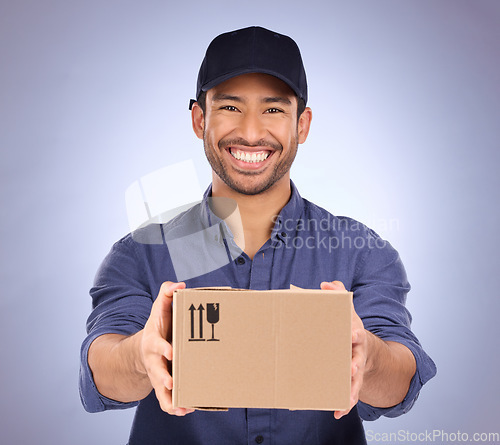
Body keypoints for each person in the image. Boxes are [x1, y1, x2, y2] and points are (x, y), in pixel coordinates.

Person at [80, 26, 436, 445]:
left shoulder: (361, 253)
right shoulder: (141, 253)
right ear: (199, 119)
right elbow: (100, 371)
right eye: (230, 107)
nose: (251, 133)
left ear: (301, 124)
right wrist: (140, 356)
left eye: (273, 110)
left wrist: (369, 357)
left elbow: (399, 383)